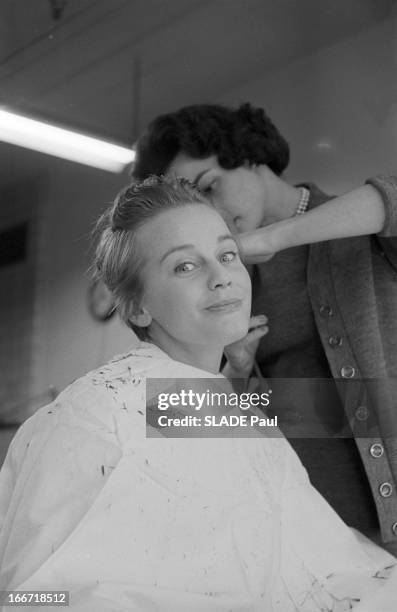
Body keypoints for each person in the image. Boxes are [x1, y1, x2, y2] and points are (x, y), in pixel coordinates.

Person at [0, 176, 396, 611]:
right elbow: (29, 597)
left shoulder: (213, 406)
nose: (221, 277)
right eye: (184, 266)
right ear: (136, 306)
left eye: (228, 255)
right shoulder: (96, 411)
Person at [131, 103, 397, 552]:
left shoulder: (354, 225)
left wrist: (274, 236)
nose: (212, 210)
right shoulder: (229, 279)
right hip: (326, 526)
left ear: (250, 156)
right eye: (197, 203)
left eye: (211, 186)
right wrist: (240, 372)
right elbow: (254, 417)